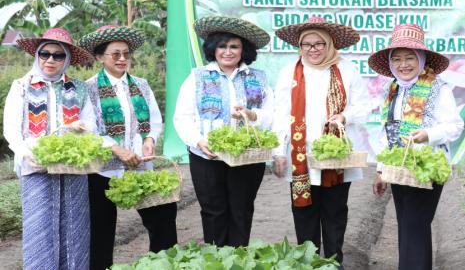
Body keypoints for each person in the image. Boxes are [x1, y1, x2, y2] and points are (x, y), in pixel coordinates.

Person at [271, 17, 369, 267]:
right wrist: (278, 152)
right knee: (304, 212)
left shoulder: (346, 69)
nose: (312, 49)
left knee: (335, 212)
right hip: (300, 157)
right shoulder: (290, 72)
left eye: (319, 44)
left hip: (336, 157)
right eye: (307, 44)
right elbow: (280, 113)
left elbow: (365, 105)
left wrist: (345, 115)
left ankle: (334, 262)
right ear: (300, 47)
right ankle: (308, 263)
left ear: (329, 45)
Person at [78, 25, 177, 269]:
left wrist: (149, 140)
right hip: (103, 169)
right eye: (115, 54)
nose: (122, 59)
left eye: (126, 54)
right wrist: (116, 149)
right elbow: (88, 129)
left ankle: (161, 264)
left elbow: (154, 119)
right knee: (100, 231)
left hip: (140, 166)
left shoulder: (141, 84)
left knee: (162, 217)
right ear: (100, 57)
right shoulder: (88, 88)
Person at [173, 16, 273, 247]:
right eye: (222, 46)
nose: (228, 52)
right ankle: (215, 259)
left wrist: (252, 115)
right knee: (213, 211)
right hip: (206, 156)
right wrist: (198, 141)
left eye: (234, 46)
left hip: (247, 157)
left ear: (243, 50)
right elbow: (183, 116)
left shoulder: (258, 78)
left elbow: (271, 114)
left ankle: (238, 258)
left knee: (241, 210)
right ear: (213, 49)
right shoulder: (197, 77)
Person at [370, 23, 464, 270]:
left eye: (410, 58)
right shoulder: (392, 90)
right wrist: (381, 170)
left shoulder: (437, 88)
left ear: (421, 59)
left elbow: (454, 126)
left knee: (414, 225)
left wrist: (428, 134)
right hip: (400, 169)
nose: (404, 64)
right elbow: (387, 134)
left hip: (427, 168)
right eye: (397, 59)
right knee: (408, 226)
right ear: (391, 63)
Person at [3, 28, 95, 269]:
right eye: (45, 54)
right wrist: (25, 154)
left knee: (75, 229)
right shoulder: (22, 86)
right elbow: (11, 129)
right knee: (39, 229)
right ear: (37, 55)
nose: (50, 60)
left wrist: (80, 130)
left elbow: (91, 126)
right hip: (35, 168)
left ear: (67, 59)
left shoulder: (80, 88)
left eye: (58, 55)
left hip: (73, 168)